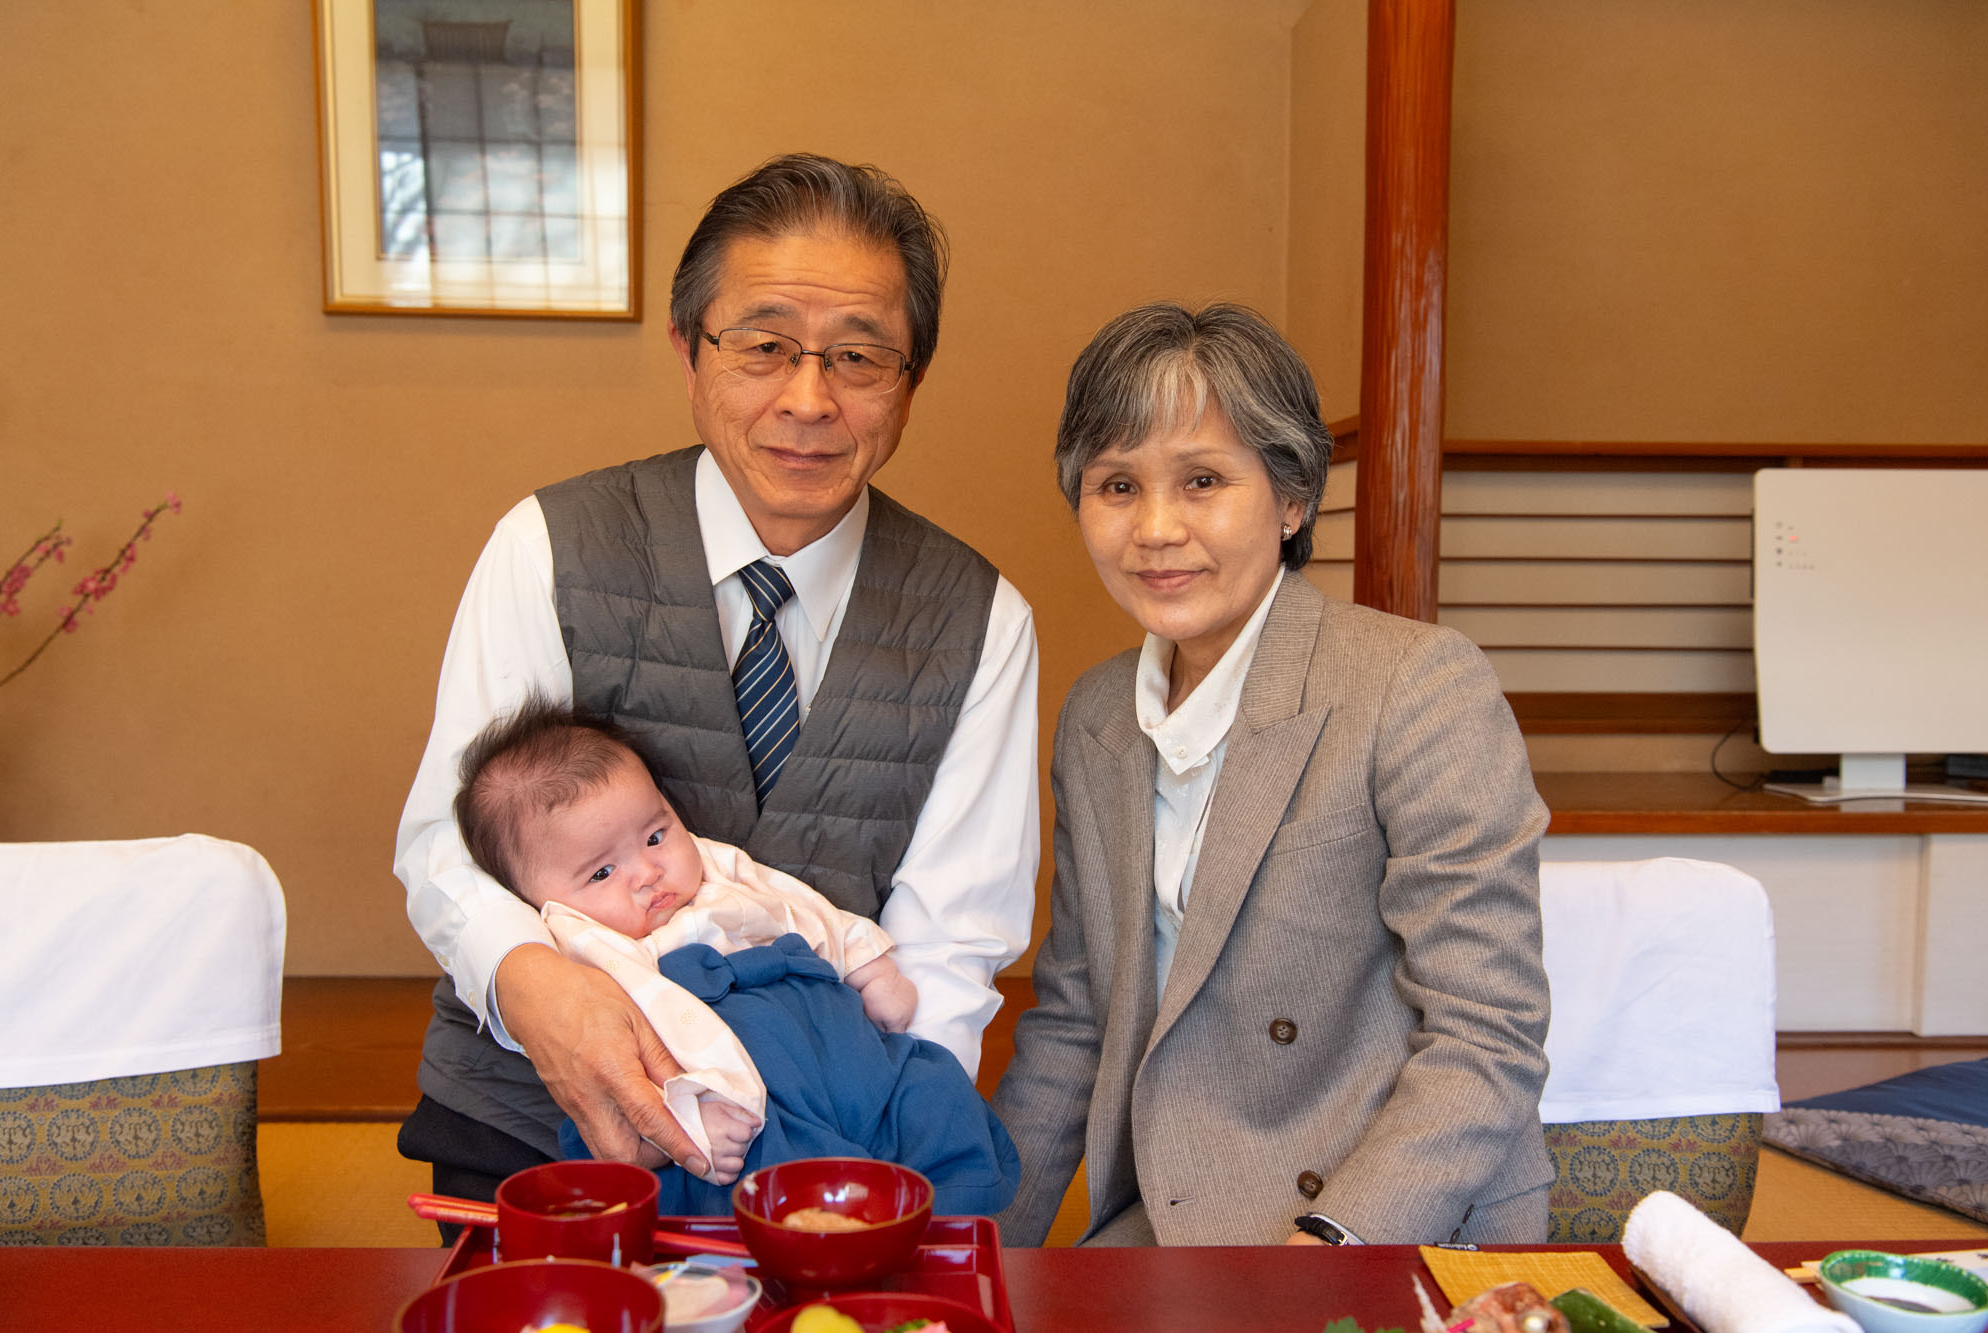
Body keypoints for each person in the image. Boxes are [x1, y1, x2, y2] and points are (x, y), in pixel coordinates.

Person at [394, 154, 1040, 1209]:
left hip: (832, 1159)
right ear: (689, 353)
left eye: (858, 356)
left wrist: (875, 1167)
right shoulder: (549, 545)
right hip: (532, 1139)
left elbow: (949, 948)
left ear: (909, 382)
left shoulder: (981, 620)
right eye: (764, 344)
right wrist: (542, 994)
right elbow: (443, 843)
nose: (807, 398)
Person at [990, 302, 1552, 1247]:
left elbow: (1486, 1033)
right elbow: (1076, 1020)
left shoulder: (1414, 683)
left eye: (1203, 479)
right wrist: (961, 1254)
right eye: (1117, 484)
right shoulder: (1096, 717)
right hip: (1171, 1206)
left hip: (1381, 1215)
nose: (1156, 529)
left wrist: (1328, 1244)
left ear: (1292, 499)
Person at [449, 698, 1020, 1216]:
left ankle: (948, 1214)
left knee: (932, 1089)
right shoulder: (583, 940)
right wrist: (700, 1110)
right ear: (539, 898)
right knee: (770, 1175)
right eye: (602, 872)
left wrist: (867, 964)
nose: (648, 873)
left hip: (840, 1039)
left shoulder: (712, 862)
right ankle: (841, 1241)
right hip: (740, 1084)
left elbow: (796, 904)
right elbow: (665, 1019)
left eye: (654, 835)